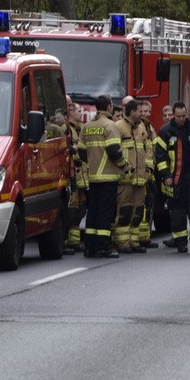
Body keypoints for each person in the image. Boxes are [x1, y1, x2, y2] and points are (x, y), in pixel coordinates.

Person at [78, 95, 132, 258]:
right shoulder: (111, 126)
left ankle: (90, 247)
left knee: (93, 212)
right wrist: (125, 166)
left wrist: (93, 161)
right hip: (108, 177)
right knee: (105, 213)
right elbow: (114, 151)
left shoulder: (87, 126)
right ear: (109, 107)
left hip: (93, 177)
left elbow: (81, 151)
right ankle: (103, 247)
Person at [154, 101, 190, 253]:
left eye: (184, 116)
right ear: (174, 115)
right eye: (178, 116)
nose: (181, 119)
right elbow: (160, 156)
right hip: (175, 176)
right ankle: (180, 242)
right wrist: (166, 176)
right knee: (177, 211)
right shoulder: (166, 131)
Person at [115, 100, 151, 253]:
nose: (141, 113)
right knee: (124, 211)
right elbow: (114, 151)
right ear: (131, 112)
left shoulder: (142, 127)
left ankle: (134, 241)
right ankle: (122, 242)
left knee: (137, 211)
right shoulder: (118, 127)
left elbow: (148, 148)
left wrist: (149, 168)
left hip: (141, 177)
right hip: (125, 178)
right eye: (138, 110)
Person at [63, 96, 87, 255]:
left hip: (81, 175)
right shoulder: (65, 127)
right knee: (70, 209)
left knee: (79, 209)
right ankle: (64, 241)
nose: (73, 110)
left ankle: (73, 240)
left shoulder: (79, 128)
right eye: (70, 106)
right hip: (70, 174)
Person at [134, 100, 158, 249]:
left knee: (148, 205)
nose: (144, 114)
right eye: (142, 111)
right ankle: (139, 237)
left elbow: (153, 147)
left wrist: (151, 169)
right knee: (139, 206)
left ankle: (145, 236)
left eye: (147, 111)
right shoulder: (137, 127)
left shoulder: (148, 126)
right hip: (138, 172)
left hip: (148, 172)